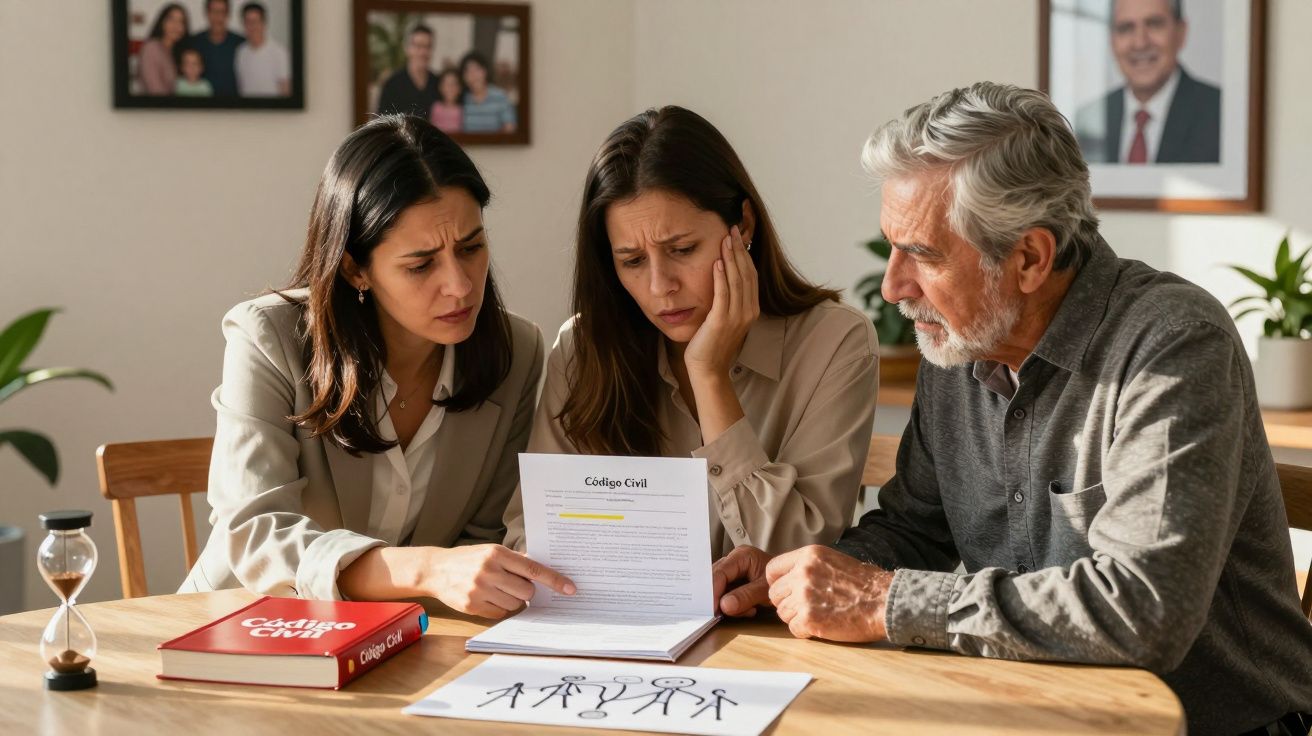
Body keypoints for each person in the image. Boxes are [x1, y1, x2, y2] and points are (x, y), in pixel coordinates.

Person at [712, 83, 1312, 735]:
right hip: (1033, 713)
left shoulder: (1172, 344)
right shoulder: (960, 345)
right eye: (892, 247)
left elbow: (1145, 611)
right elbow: (915, 531)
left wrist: (882, 601)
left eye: (922, 254)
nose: (893, 287)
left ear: (1028, 258)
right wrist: (794, 578)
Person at [180, 116, 576, 620]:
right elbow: (255, 531)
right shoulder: (269, 337)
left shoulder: (516, 351)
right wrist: (425, 569)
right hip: (242, 626)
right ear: (355, 268)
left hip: (408, 641)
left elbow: (483, 540)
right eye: (421, 264)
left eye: (472, 247)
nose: (459, 284)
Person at [502, 106, 879, 560]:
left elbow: (792, 557)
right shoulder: (583, 348)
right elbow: (533, 539)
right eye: (632, 261)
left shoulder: (835, 343)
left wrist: (709, 375)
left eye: (682, 249)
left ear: (743, 226)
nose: (661, 287)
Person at [1075, 0, 1220, 164]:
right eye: (1126, 28)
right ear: (1111, 40)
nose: (1140, 43)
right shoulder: (1088, 120)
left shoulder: (1220, 114)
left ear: (1181, 32)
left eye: (1154, 24)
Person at [376, 25, 439, 117]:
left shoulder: (438, 83)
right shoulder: (392, 85)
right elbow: (381, 124)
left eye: (428, 47)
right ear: (407, 49)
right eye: (418, 46)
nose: (423, 52)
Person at [188, 0, 245, 97]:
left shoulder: (241, 43)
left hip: (233, 106)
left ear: (228, 15)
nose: (218, 17)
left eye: (222, 12)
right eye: (214, 12)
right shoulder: (194, 42)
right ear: (207, 13)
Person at [235, 1, 290, 97]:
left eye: (255, 21)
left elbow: (286, 90)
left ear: (264, 23)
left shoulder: (279, 52)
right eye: (248, 22)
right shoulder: (240, 52)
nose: (252, 26)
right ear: (243, 24)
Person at [137, 3, 189, 96]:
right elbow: (155, 91)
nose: (176, 25)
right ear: (162, 22)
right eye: (171, 20)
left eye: (181, 22)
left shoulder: (177, 53)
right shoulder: (152, 48)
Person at [459, 52, 516, 133]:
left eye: (477, 69)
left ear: (485, 71)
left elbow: (510, 128)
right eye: (468, 71)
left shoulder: (500, 96)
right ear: (463, 77)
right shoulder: (462, 98)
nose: (473, 75)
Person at [429, 68, 464, 134]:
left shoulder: (462, 110)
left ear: (460, 88)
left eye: (454, 84)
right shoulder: (436, 107)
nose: (450, 87)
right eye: (446, 84)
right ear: (440, 87)